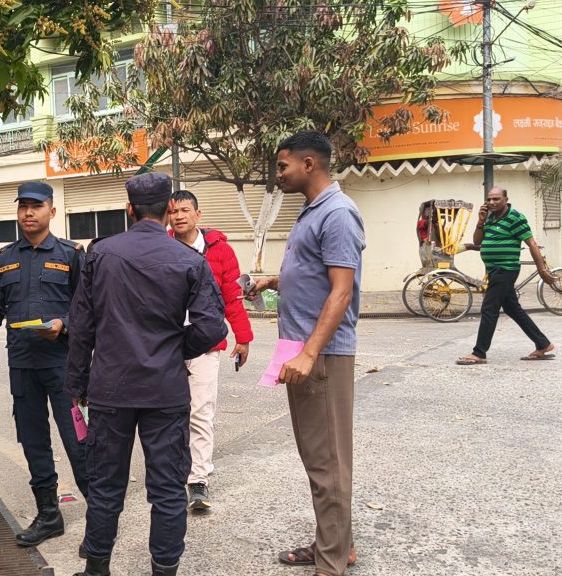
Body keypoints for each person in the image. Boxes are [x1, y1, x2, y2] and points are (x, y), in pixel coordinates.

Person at [66, 172, 228, 576]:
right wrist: (175, 349)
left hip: (111, 389)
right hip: (165, 391)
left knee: (105, 486)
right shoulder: (190, 260)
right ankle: (164, 568)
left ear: (129, 209)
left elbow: (81, 325)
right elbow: (212, 327)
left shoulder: (100, 254)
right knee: (169, 490)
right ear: (169, 209)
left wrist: (77, 383)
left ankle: (97, 568)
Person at [248, 131, 365, 576]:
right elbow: (316, 274)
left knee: (327, 463)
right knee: (320, 458)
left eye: (283, 166)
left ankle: (330, 564)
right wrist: (274, 281)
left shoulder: (337, 213)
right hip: (303, 352)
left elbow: (341, 291)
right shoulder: (314, 210)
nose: (278, 174)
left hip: (322, 356)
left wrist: (309, 354)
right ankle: (338, 546)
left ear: (309, 163)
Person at [0, 181, 89, 548]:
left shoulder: (71, 254)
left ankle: (100, 515)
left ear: (52, 211)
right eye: (22, 206)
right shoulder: (5, 258)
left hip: (63, 366)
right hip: (23, 365)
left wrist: (64, 325)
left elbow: (88, 308)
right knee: (33, 442)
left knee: (78, 441)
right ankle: (49, 515)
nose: (28, 213)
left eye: (36, 206)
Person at [166, 189, 253, 511]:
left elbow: (232, 296)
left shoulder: (220, 250)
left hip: (205, 343)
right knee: (170, 413)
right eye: (173, 211)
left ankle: (198, 479)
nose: (179, 216)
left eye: (185, 210)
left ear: (197, 215)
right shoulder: (161, 246)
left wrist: (243, 337)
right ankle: (174, 472)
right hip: (168, 344)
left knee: (201, 411)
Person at [456, 187, 557, 365]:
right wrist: (480, 221)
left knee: (489, 309)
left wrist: (542, 270)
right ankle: (543, 344)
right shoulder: (490, 217)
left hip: (505, 269)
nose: (492, 202)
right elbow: (478, 241)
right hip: (494, 270)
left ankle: (479, 353)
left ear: (506, 200)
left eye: (496, 199)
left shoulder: (515, 217)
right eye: (489, 199)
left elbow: (532, 243)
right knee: (512, 309)